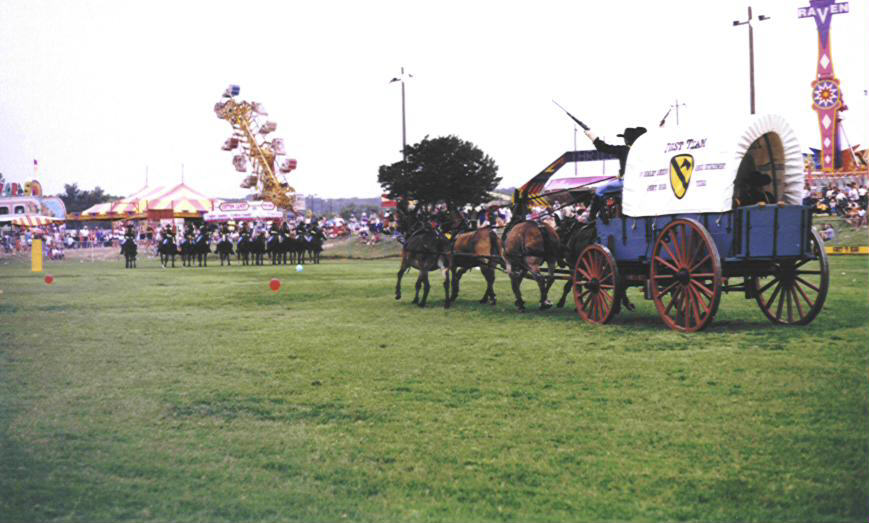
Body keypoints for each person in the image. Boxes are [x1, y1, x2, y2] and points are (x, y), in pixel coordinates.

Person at [582, 126, 647, 220]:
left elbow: (602, 147)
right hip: (641, 181)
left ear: (628, 140)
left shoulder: (625, 149)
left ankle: (591, 217)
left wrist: (592, 136)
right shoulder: (644, 151)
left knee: (599, 190)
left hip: (627, 183)